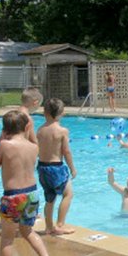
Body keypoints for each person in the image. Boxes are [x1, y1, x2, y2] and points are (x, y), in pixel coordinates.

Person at [0, 110, 54, 256]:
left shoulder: (5, 145)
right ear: (26, 127)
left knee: (7, 238)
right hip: (32, 194)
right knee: (27, 231)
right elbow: (31, 138)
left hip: (13, 197)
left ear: (4, 129)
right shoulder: (34, 147)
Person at [36, 98, 77, 235]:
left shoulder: (40, 130)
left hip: (42, 167)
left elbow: (37, 150)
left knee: (49, 198)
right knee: (68, 194)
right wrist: (72, 168)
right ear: (61, 113)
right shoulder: (62, 131)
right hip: (56, 168)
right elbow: (66, 151)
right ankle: (59, 225)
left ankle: (48, 227)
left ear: (45, 112)